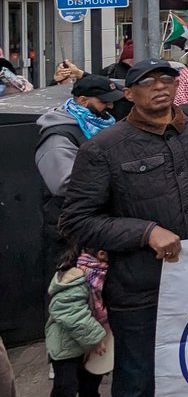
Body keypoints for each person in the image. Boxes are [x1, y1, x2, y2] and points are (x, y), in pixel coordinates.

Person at [59, 58, 188, 397]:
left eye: (167, 79)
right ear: (128, 94)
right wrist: (146, 232)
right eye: (148, 82)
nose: (160, 87)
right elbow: (77, 220)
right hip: (142, 292)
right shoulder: (103, 149)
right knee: (140, 386)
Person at [36, 76, 125, 276]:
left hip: (96, 221)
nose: (110, 105)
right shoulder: (59, 135)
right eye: (104, 101)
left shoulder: (101, 125)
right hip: (70, 232)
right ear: (83, 101)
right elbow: (63, 183)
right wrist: (119, 180)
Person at [45, 246, 111, 397]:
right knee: (66, 384)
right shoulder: (77, 277)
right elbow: (68, 312)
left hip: (86, 340)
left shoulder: (96, 273)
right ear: (100, 254)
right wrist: (95, 337)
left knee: (92, 373)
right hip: (66, 344)